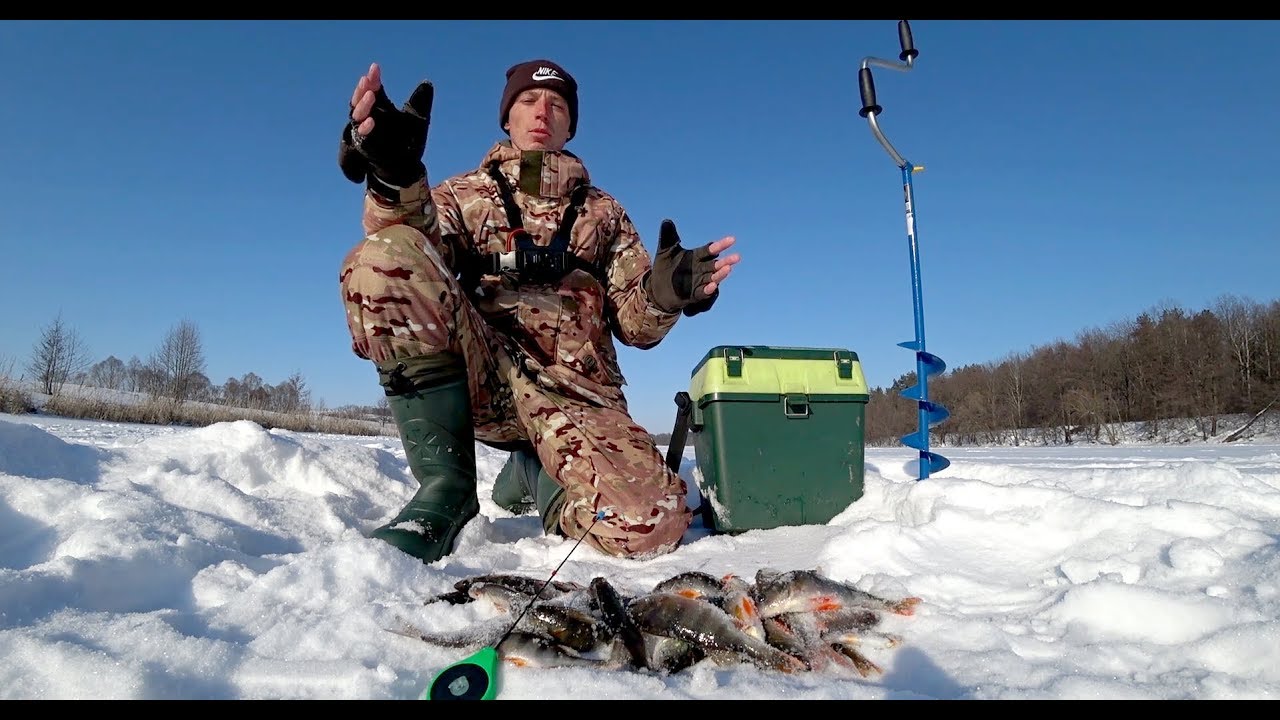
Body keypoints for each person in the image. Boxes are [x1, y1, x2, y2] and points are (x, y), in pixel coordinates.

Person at [336, 58, 740, 564]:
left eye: (557, 104)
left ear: (571, 124)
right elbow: (411, 247)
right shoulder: (465, 196)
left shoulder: (605, 213)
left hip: (581, 397)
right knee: (386, 257)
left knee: (649, 524)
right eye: (527, 101)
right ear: (507, 117)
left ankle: (540, 476)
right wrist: (395, 174)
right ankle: (445, 490)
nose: (541, 112)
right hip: (486, 377)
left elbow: (636, 326)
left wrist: (666, 294)